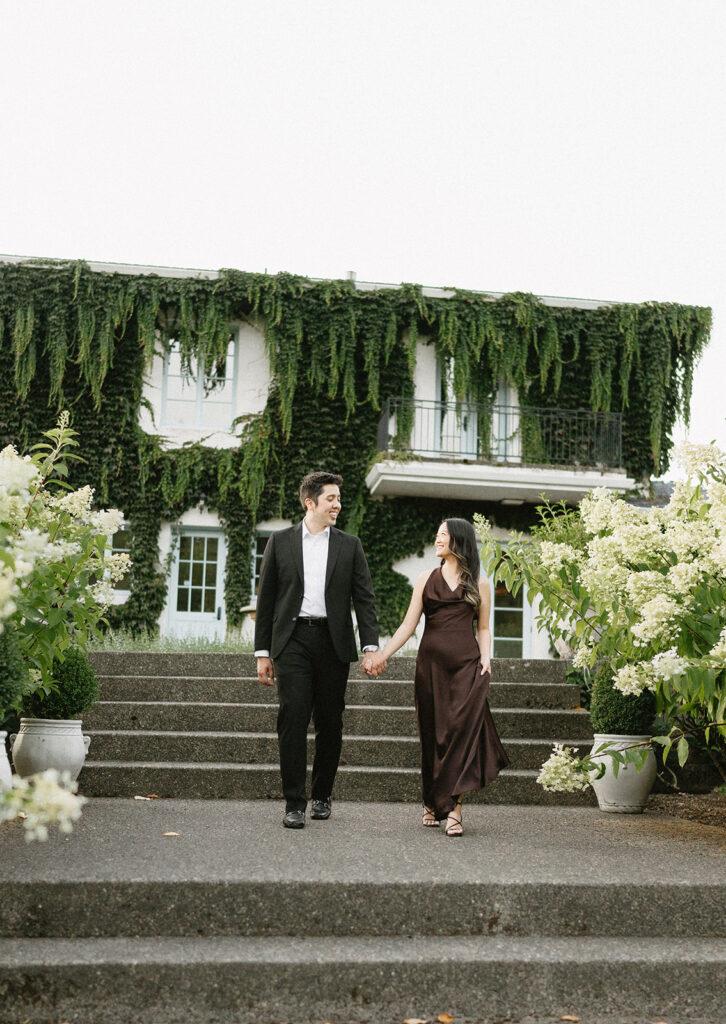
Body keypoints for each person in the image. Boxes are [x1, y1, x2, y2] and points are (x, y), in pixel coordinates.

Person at [363, 518, 509, 836]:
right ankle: (431, 800)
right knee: (432, 735)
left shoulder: (480, 583)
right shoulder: (425, 579)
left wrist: (486, 657)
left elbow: (483, 628)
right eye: (437, 533)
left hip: (467, 668)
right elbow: (407, 625)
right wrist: (381, 656)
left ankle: (454, 809)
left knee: (458, 736)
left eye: (442, 534)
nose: (437, 539)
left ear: (457, 541)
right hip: (430, 669)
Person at [254, 471, 383, 829]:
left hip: (333, 641)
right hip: (291, 641)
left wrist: (371, 646)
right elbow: (265, 601)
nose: (338, 504)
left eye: (339, 499)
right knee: (292, 717)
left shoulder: (349, 545)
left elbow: (364, 599)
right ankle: (294, 802)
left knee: (330, 721)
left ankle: (322, 795)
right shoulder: (279, 542)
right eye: (331, 499)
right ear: (309, 503)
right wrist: (262, 653)